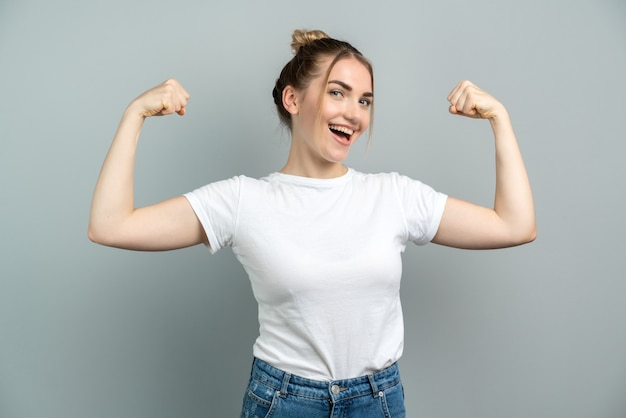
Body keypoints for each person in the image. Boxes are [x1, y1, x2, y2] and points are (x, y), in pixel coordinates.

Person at [89, 29, 535, 418]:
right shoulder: (244, 200)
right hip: (284, 402)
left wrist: (501, 119)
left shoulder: (394, 195)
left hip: (377, 402)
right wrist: (135, 115)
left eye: (364, 100)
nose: (355, 113)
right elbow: (111, 226)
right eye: (337, 92)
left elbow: (514, 226)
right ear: (293, 98)